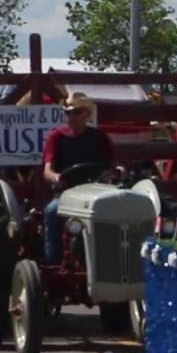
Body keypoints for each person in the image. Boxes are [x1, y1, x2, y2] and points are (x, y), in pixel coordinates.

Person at [42, 92, 115, 265]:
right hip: (66, 194)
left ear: (87, 114)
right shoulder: (57, 137)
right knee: (52, 211)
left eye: (76, 112)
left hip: (96, 193)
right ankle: (53, 260)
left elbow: (112, 165)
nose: (71, 116)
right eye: (68, 112)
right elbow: (47, 170)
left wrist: (117, 171)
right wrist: (55, 177)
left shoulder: (99, 137)